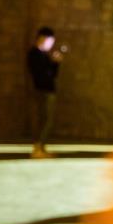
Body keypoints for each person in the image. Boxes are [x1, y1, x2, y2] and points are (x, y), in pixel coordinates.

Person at [27, 26, 63, 158]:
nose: (51, 45)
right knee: (43, 120)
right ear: (42, 38)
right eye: (50, 41)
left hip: (48, 90)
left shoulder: (44, 55)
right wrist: (51, 65)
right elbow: (40, 74)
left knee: (47, 120)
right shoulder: (34, 54)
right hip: (41, 90)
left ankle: (41, 147)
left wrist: (56, 63)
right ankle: (38, 148)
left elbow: (53, 74)